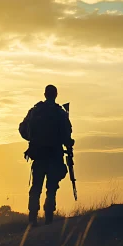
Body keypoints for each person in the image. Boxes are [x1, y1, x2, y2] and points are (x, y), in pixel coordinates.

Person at [19, 84, 73, 226]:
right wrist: (68, 143)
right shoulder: (60, 113)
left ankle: (32, 218)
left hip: (39, 155)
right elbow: (67, 134)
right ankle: (49, 217)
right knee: (51, 188)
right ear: (56, 95)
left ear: (45, 94)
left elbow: (22, 129)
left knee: (36, 187)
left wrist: (33, 139)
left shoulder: (35, 111)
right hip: (54, 156)